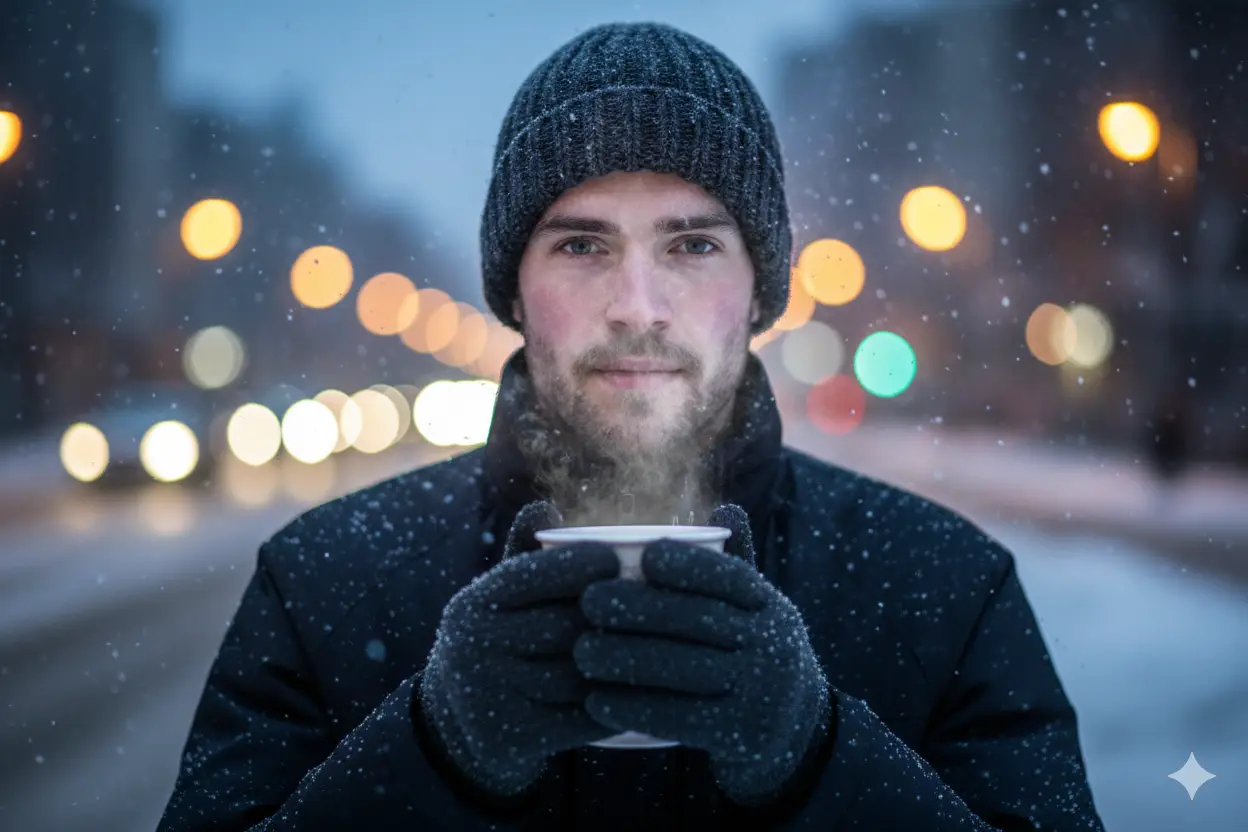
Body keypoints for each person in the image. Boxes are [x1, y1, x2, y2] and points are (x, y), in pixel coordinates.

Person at [157, 22, 1104, 830]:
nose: (638, 306)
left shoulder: (940, 585)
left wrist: (819, 756)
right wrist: (429, 753)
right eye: (581, 244)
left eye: (692, 244)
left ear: (759, 291)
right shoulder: (327, 582)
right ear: (514, 289)